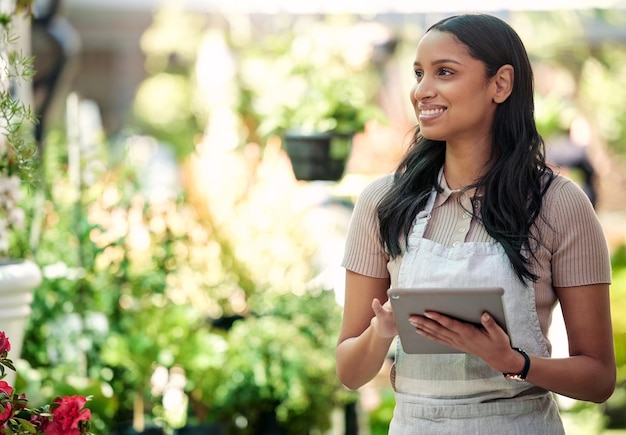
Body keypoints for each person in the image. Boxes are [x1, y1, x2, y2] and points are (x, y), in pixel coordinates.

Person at [335, 13, 615, 434]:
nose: (421, 91)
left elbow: (599, 379)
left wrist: (514, 363)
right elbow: (350, 372)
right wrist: (383, 329)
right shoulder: (383, 202)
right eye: (418, 73)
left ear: (500, 84)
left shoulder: (558, 204)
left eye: (444, 72)